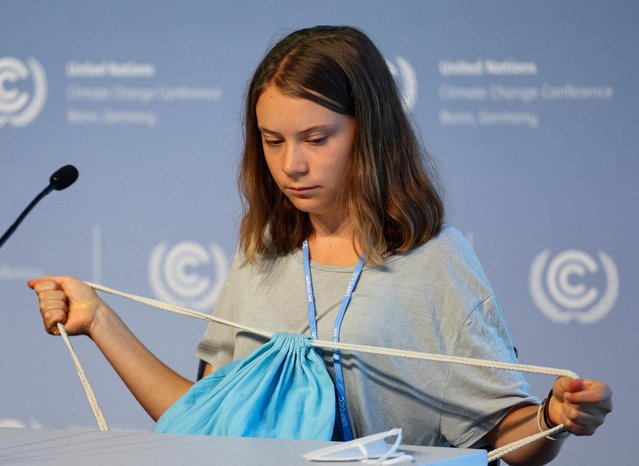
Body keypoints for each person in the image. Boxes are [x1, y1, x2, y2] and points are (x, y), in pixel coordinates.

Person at [28, 25, 611, 465]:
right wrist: (100, 320)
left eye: (315, 137)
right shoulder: (261, 252)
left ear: (369, 131)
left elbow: (501, 436)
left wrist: (554, 417)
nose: (291, 164)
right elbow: (201, 425)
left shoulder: (436, 260)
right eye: (272, 140)